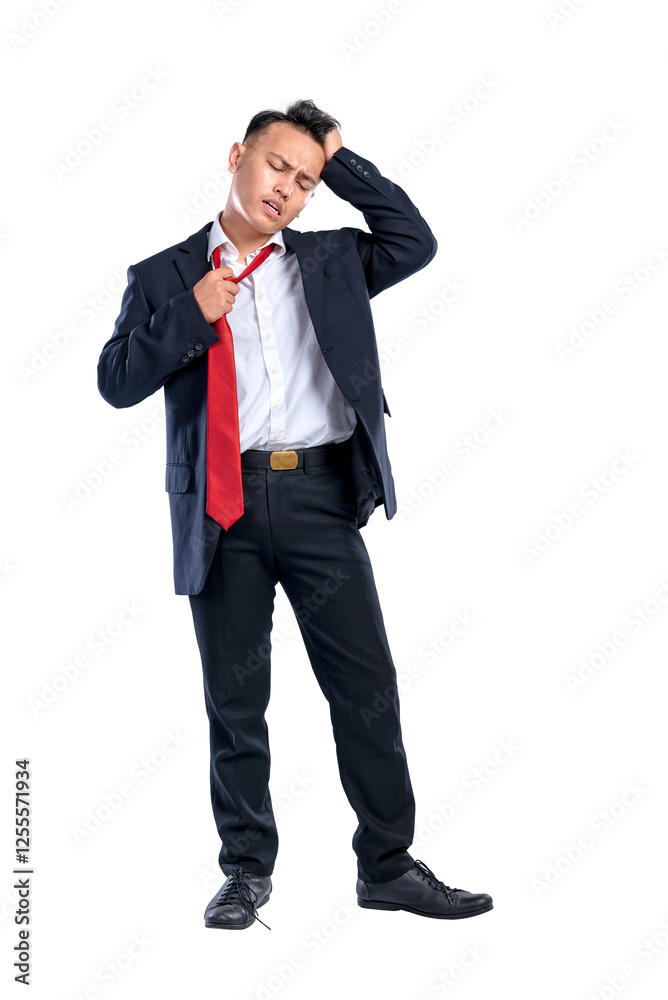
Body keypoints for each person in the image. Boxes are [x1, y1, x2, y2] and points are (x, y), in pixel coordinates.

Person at [97, 98, 493, 931]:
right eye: (279, 164)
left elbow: (414, 240)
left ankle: (386, 866)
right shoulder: (164, 275)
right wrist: (188, 314)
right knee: (236, 703)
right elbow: (116, 381)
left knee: (366, 689)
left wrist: (341, 158)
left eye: (305, 181)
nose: (288, 188)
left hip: (320, 497)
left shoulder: (332, 261)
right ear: (237, 154)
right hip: (222, 506)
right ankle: (245, 871)